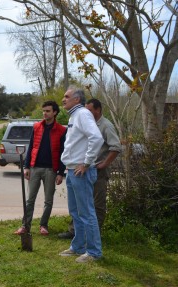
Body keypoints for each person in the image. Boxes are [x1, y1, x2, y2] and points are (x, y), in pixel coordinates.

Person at [58, 98, 121, 239]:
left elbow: (116, 147)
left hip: (97, 169)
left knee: (96, 204)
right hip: (82, 169)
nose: (87, 112)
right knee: (79, 204)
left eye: (90, 110)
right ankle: (75, 232)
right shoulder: (84, 121)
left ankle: (94, 235)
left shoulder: (106, 125)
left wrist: (104, 163)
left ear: (98, 110)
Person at [59, 86, 104, 263]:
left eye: (67, 96)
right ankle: (78, 247)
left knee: (86, 213)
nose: (63, 99)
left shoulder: (83, 114)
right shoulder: (74, 116)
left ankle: (94, 252)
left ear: (77, 99)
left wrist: (86, 163)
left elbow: (97, 138)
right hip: (71, 170)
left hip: (81, 172)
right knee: (76, 212)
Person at [13, 101, 67, 236]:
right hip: (35, 168)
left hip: (51, 170)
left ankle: (43, 225)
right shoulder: (37, 126)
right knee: (30, 199)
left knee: (48, 200)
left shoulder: (61, 130)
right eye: (44, 111)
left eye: (48, 111)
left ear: (54, 112)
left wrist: (60, 172)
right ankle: (25, 225)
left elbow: (63, 152)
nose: (45, 113)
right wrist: (26, 166)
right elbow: (31, 146)